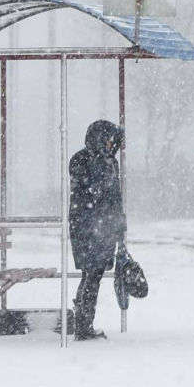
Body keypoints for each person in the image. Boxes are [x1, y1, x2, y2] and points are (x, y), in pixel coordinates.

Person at [69, 120, 126, 341]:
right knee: (92, 274)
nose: (112, 144)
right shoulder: (87, 161)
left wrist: (118, 225)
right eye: (109, 139)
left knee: (92, 275)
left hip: (98, 227)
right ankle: (83, 325)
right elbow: (98, 194)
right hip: (90, 227)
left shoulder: (106, 162)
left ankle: (83, 321)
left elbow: (113, 197)